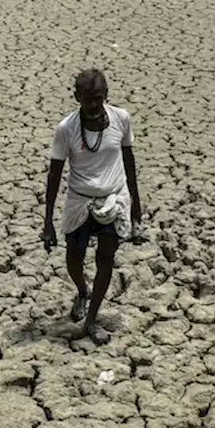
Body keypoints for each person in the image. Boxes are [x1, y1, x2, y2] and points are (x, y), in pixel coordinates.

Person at [41, 68, 143, 345]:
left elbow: (129, 162)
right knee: (74, 258)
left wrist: (136, 205)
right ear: (77, 98)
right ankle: (82, 292)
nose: (95, 106)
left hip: (114, 197)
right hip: (80, 199)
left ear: (106, 95)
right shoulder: (66, 129)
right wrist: (48, 222)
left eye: (99, 98)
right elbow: (54, 175)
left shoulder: (121, 119)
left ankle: (91, 319)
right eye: (89, 100)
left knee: (105, 259)